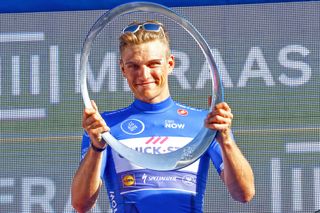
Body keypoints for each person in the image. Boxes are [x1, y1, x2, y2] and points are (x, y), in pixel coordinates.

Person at [71, 20, 255, 213]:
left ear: (170, 64)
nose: (143, 75)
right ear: (122, 69)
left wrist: (225, 139)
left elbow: (244, 194)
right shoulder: (105, 127)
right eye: (133, 66)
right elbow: (80, 204)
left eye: (153, 64)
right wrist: (96, 147)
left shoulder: (203, 123)